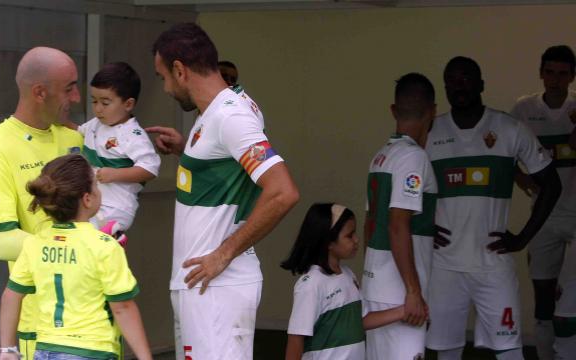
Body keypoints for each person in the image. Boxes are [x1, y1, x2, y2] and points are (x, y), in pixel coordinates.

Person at [147, 22, 299, 359]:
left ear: (179, 70)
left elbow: (283, 191)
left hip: (217, 287)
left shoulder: (231, 116)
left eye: (163, 78)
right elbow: (230, 164)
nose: (167, 89)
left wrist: (224, 253)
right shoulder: (217, 110)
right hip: (201, 285)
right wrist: (186, 151)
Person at [425, 56, 562, 360]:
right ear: (445, 87)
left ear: (481, 84)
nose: (459, 86)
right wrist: (423, 226)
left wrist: (523, 238)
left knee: (509, 351)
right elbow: (407, 189)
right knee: (445, 351)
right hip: (445, 266)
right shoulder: (431, 133)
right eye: (452, 80)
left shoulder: (510, 128)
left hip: (493, 266)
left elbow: (552, 185)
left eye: (466, 79)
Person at [0, 46, 83, 359]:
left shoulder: (75, 139)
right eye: (69, 88)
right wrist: (79, 248)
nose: (77, 98)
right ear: (39, 92)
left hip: (95, 316)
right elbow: (3, 242)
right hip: (46, 326)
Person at [0, 154, 153, 360]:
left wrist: (8, 350)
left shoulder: (34, 243)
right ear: (87, 199)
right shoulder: (104, 246)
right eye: (96, 186)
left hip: (45, 349)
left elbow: (11, 295)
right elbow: (122, 307)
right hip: (93, 351)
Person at [362, 72, 438, 360]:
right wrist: (413, 291)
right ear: (432, 111)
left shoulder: (381, 155)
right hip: (398, 290)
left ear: (394, 111)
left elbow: (370, 224)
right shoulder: (413, 157)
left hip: (377, 281)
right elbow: (398, 225)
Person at [510, 45, 576, 360]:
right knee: (544, 297)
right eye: (550, 72)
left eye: (563, 73)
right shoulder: (524, 109)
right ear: (541, 73)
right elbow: (504, 152)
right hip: (544, 215)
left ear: (572, 77)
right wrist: (520, 177)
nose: (555, 79)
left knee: (571, 301)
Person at [281, 203, 404, 360]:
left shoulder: (348, 276)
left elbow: (361, 320)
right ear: (329, 242)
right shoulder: (311, 284)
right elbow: (295, 339)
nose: (356, 240)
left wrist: (403, 311)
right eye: (349, 235)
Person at [63, 62, 161, 245]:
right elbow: (79, 130)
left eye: (105, 103)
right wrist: (60, 120)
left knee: (86, 241)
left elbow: (150, 168)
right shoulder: (96, 124)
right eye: (94, 101)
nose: (98, 108)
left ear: (128, 104)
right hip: (93, 203)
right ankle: (111, 239)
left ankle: (114, 237)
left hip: (117, 207)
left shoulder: (133, 134)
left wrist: (115, 174)